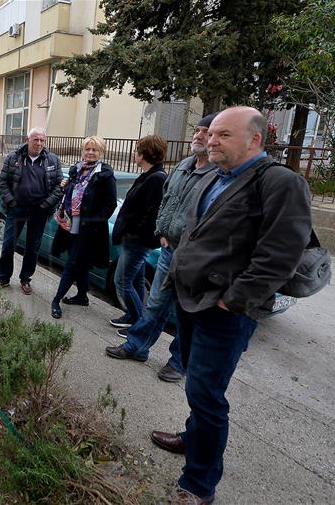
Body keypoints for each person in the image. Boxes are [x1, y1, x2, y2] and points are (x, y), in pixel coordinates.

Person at [152, 107, 311, 503]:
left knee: (208, 396)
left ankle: (198, 484)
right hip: (190, 302)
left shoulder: (279, 183)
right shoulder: (215, 177)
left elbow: (279, 255)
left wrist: (232, 301)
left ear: (254, 139)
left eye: (222, 135)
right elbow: (195, 233)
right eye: (210, 134)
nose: (210, 140)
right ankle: (194, 440)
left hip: (223, 314)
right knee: (196, 387)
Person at [104, 114, 219, 383]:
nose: (199, 136)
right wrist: (161, 233)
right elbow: (165, 203)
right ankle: (136, 347)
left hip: (196, 260)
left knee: (185, 313)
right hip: (169, 251)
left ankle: (178, 363)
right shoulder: (182, 167)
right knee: (155, 303)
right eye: (198, 130)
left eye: (207, 132)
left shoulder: (219, 174)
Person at [49, 136, 117, 319]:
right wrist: (65, 187)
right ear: (82, 151)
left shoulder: (105, 175)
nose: (90, 153)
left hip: (88, 229)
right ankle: (82, 296)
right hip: (70, 224)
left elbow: (110, 205)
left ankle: (56, 300)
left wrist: (93, 221)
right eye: (87, 149)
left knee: (73, 263)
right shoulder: (77, 170)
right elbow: (73, 193)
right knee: (81, 263)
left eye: (95, 150)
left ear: (102, 152)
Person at [0, 127, 63, 295]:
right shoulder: (13, 158)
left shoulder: (53, 160)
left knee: (33, 248)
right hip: (17, 209)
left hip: (39, 211)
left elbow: (59, 187)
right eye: (35, 140)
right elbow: (2, 183)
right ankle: (3, 277)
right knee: (8, 244)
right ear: (28, 140)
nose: (39, 143)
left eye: (42, 140)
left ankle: (25, 279)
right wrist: (11, 202)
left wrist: (46, 204)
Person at [109, 135, 168, 328]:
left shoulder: (157, 179)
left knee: (122, 282)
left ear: (143, 155)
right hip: (134, 239)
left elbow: (152, 214)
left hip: (138, 242)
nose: (135, 153)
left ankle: (137, 323)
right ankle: (132, 314)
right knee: (137, 282)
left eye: (136, 150)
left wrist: (133, 234)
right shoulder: (149, 175)